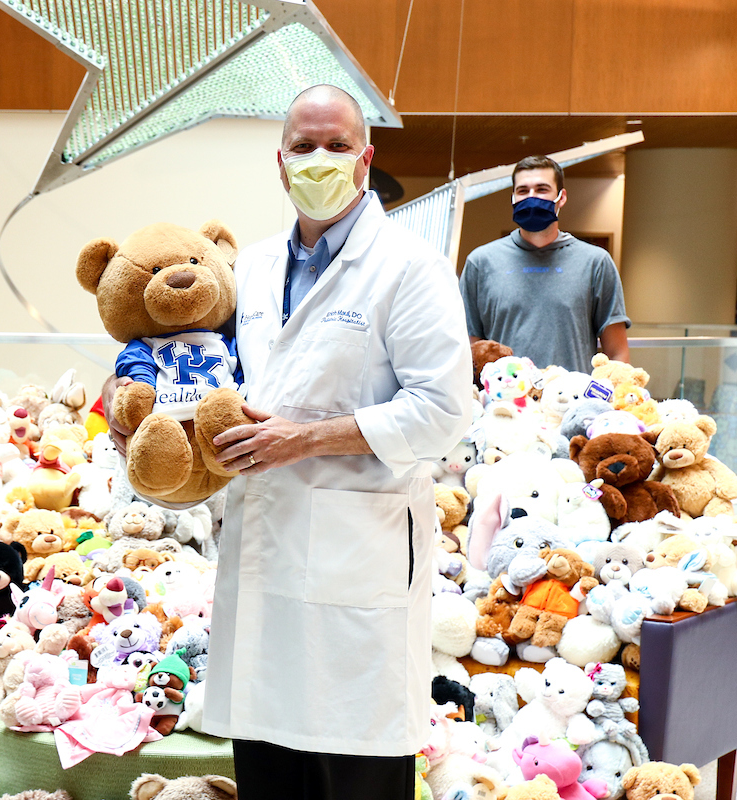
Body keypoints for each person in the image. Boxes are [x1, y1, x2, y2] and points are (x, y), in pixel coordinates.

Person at [106, 85, 473, 798]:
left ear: (365, 158)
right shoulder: (254, 267)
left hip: (358, 555)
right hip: (264, 549)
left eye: (337, 145)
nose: (319, 158)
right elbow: (212, 371)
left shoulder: (409, 268)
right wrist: (144, 413)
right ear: (280, 162)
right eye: (303, 146)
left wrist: (306, 440)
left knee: (355, 766)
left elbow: (443, 412)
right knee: (272, 766)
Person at [459, 155, 631, 373]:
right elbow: (470, 350)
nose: (531, 197)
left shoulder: (595, 263)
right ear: (512, 197)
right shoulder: (481, 263)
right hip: (502, 404)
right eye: (523, 191)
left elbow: (617, 354)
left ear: (561, 197)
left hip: (570, 403)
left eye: (542, 189)